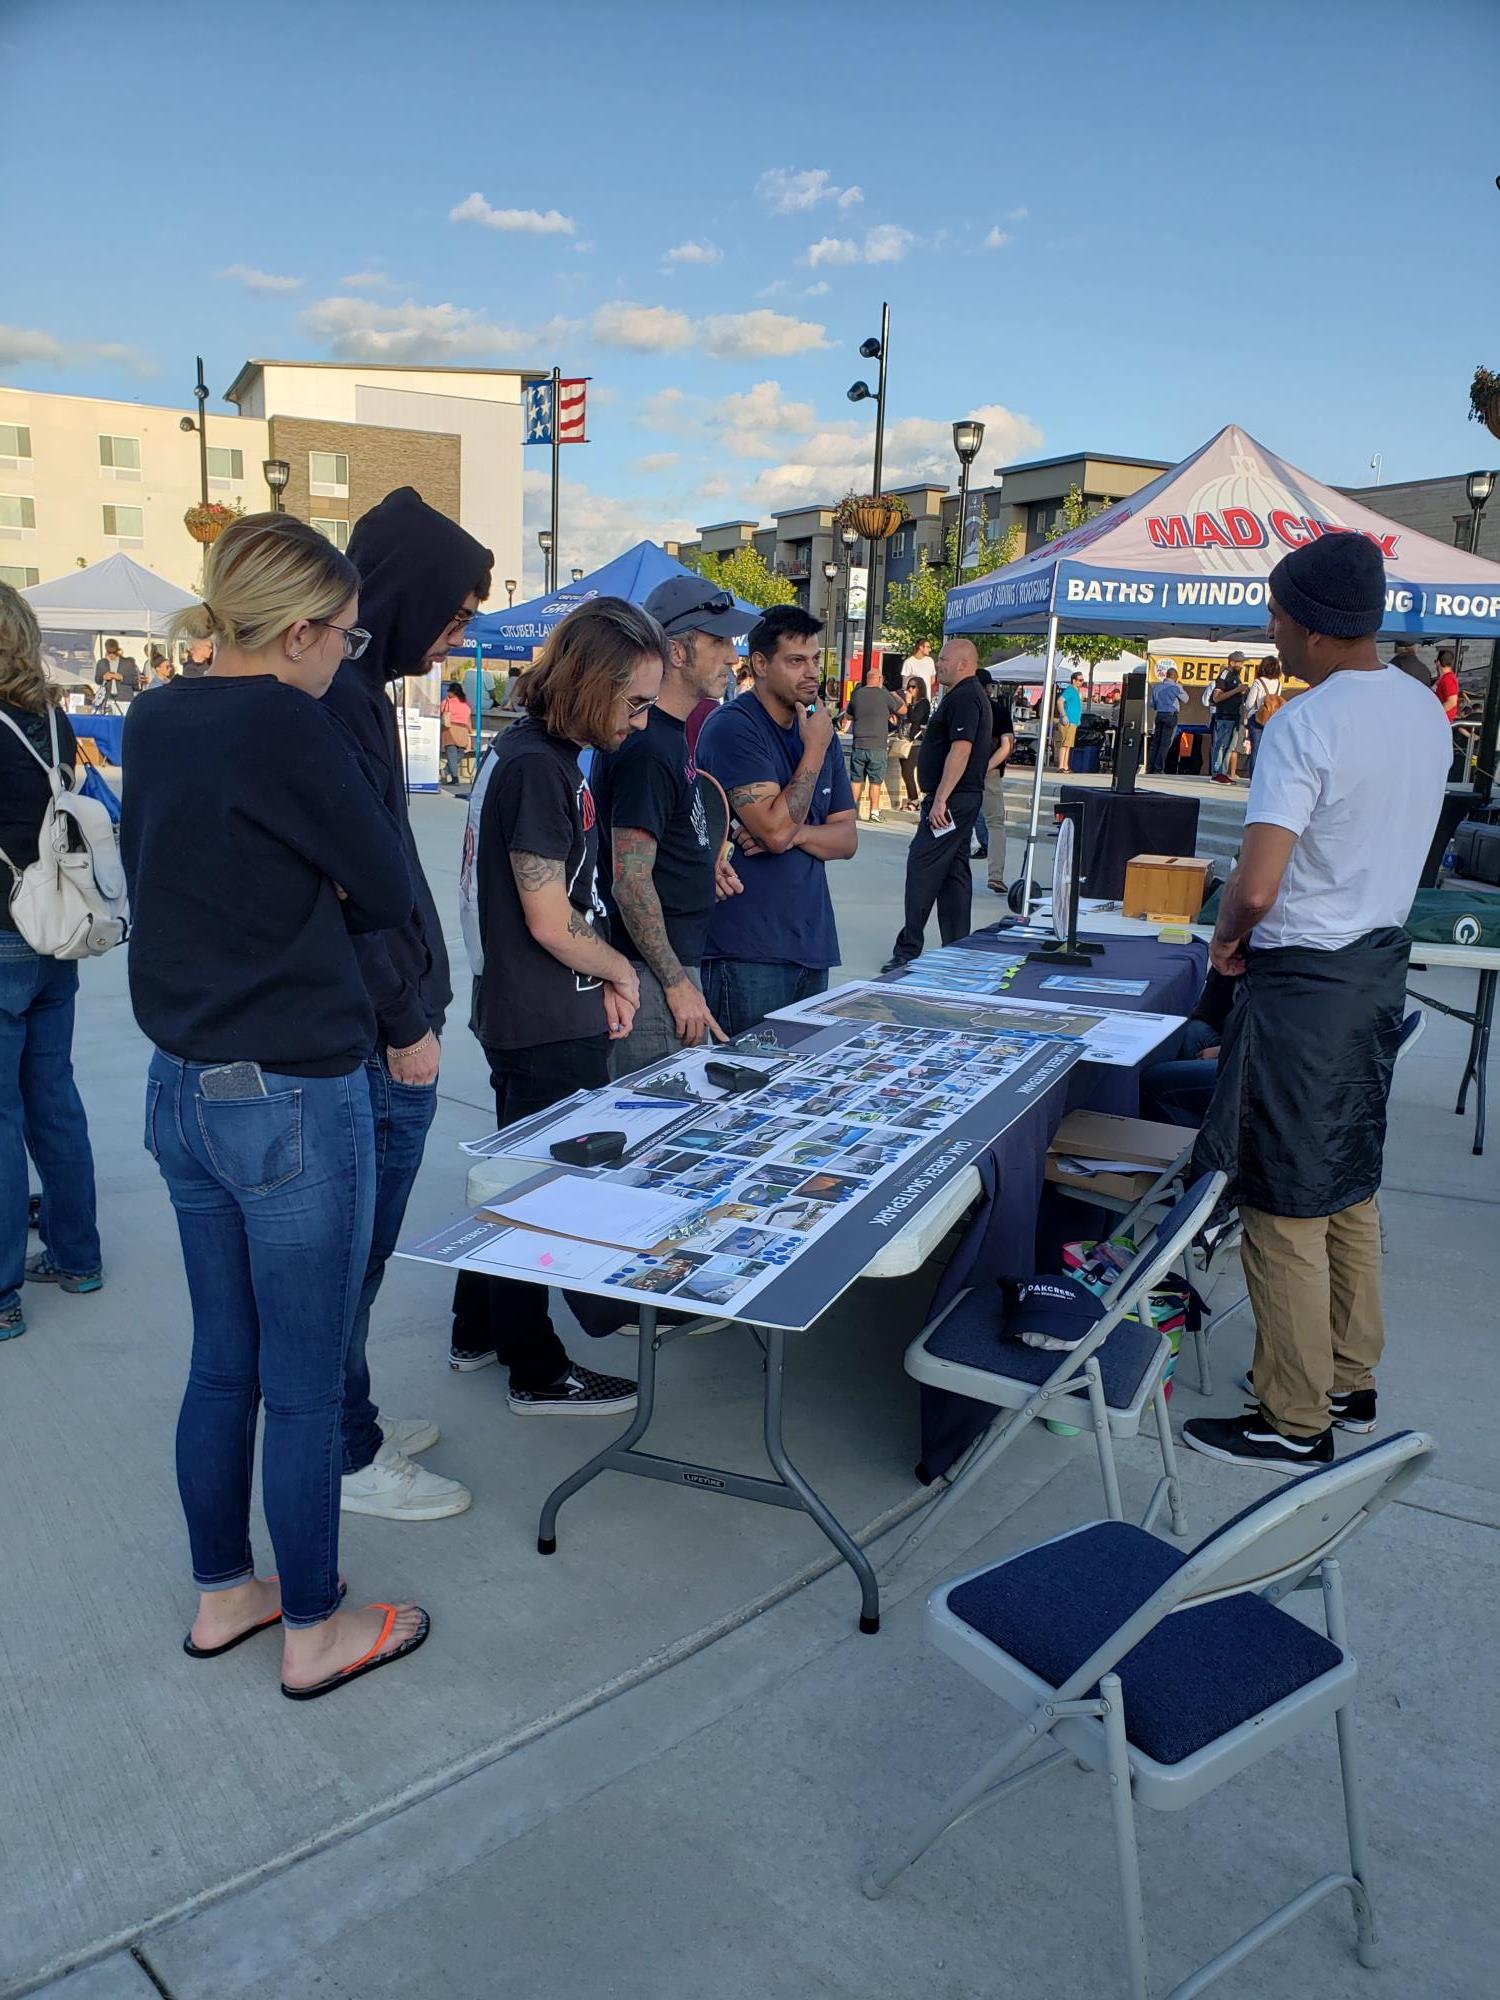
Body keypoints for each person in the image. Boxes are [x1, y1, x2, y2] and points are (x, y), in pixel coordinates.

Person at [121, 513, 430, 1697]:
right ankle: (313, 1627)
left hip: (180, 1085)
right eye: (345, 640)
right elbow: (388, 882)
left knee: (222, 1364)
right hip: (289, 1094)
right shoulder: (287, 723)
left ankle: (225, 1595)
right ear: (299, 630)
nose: (348, 658)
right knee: (301, 1381)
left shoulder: (157, 714)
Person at [1182, 532, 1451, 1472]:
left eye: (1276, 613)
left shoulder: (1307, 723)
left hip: (1305, 983)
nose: (1271, 628)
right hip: (1377, 967)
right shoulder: (1425, 712)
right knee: (1349, 1184)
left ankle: (1292, 1417)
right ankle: (1350, 1375)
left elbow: (1257, 883)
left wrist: (1226, 936)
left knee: (1284, 1200)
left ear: (1307, 623)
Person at [322, 487, 493, 1523]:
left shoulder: (359, 692)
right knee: (352, 1259)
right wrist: (408, 1022)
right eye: (457, 610)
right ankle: (342, 1449)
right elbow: (359, 887)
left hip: (389, 1020)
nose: (460, 632)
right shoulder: (340, 698)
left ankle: (350, 1419)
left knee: (363, 1260)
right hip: (379, 1034)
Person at [451, 598, 661, 1409]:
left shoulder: (531, 754)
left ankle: (480, 1327)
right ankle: (535, 1369)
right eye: (634, 702)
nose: (641, 721)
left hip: (527, 1008)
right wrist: (621, 970)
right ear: (588, 685)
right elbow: (548, 917)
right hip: (543, 1016)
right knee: (540, 1199)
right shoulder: (540, 767)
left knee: (510, 1178)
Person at [593, 576, 752, 1078]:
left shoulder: (665, 736)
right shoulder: (646, 746)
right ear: (678, 653)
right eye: (720, 641)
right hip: (654, 983)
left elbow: (658, 848)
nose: (733, 656)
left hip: (667, 972)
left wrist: (703, 863)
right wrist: (677, 984)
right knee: (654, 1141)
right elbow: (630, 880)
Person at [0, 584, 104, 1341]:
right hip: (54, 930)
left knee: (4, 1116)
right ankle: (76, 1252)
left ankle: (3, 1296)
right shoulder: (52, 718)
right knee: (53, 1098)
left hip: (5, 931)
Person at [696, 606, 856, 1035]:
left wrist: (797, 833)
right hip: (747, 951)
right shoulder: (733, 727)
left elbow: (846, 840)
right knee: (745, 1085)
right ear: (761, 664)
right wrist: (815, 752)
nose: (811, 673)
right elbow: (774, 830)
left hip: (811, 942)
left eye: (815, 660)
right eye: (795, 661)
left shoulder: (817, 729)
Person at [882, 636, 993, 969]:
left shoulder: (965, 697)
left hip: (953, 800)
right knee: (953, 873)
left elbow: (961, 749)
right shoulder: (966, 695)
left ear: (963, 664)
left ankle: (908, 948)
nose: (938, 664)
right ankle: (957, 946)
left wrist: (941, 799)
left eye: (943, 660)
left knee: (922, 865)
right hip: (959, 798)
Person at [1139, 971, 1235, 1128]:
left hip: (1262, 1065)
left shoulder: (1279, 965)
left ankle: (1208, 1138)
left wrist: (1226, 1051)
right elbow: (1211, 1005)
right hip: (1242, 1042)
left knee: (1151, 1083)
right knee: (1193, 1031)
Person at [842, 661, 904, 823]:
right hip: (877, 744)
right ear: (879, 679)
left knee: (856, 779)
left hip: (859, 743)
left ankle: (851, 811)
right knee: (875, 781)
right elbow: (902, 709)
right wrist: (895, 696)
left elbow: (848, 717)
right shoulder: (884, 694)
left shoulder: (857, 694)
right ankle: (874, 812)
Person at [977, 670, 1015, 892]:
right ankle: (995, 875)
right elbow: (1007, 745)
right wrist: (988, 766)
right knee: (996, 823)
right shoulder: (998, 710)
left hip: (960, 771)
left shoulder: (963, 706)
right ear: (988, 687)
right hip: (989, 773)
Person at [1243, 654, 1285, 773]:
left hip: (1257, 718)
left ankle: (1253, 778)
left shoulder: (1258, 682)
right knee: (1268, 749)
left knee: (1256, 748)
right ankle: (1264, 775)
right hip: (1272, 718)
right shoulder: (1278, 683)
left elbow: (1249, 703)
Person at [1208, 653, 1246, 780]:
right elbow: (1217, 697)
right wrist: (1237, 690)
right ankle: (1217, 772)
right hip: (1224, 715)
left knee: (1230, 747)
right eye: (1239, 662)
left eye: (1242, 662)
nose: (1241, 665)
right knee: (1221, 745)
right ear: (1231, 662)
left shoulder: (1235, 676)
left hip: (1234, 715)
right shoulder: (1224, 675)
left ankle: (1223, 773)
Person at [1147, 664, 1187, 774]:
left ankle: (1150, 767)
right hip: (1170, 715)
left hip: (1159, 714)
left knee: (1156, 742)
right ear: (1175, 676)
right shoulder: (1175, 687)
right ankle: (1158, 768)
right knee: (1165, 743)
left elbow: (1152, 704)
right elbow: (1185, 699)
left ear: (1166, 675)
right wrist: (1181, 687)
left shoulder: (1157, 687)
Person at [898, 676, 930, 808]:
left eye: (913, 687)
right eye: (908, 687)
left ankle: (915, 800)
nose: (910, 690)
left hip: (915, 741)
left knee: (908, 770)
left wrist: (910, 703)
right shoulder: (908, 703)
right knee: (905, 770)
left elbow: (915, 719)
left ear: (920, 688)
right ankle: (913, 798)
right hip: (904, 739)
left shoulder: (923, 703)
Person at [439, 678, 473, 786]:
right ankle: (449, 772)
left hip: (449, 729)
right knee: (460, 753)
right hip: (463, 730)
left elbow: (440, 713)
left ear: (452, 692)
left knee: (451, 754)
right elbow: (468, 719)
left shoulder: (446, 702)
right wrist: (470, 731)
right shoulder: (466, 704)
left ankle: (454, 777)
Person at [1052, 671, 1083, 770]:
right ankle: (1061, 766)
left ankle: (1065, 765)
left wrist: (1078, 720)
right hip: (1068, 721)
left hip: (1073, 722)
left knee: (1068, 744)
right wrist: (1064, 715)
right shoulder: (1070, 690)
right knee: (1064, 744)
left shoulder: (1076, 692)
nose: (1081, 682)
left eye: (1082, 680)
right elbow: (1059, 701)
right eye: (1080, 680)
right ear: (1074, 680)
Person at [94, 639, 139, 707]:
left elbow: (135, 680)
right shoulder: (102, 663)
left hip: (124, 700)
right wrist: (103, 677)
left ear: (117, 651)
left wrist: (122, 678)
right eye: (109, 653)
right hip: (107, 699)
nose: (111, 655)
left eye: (113, 653)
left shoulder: (128, 662)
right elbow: (97, 680)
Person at [1433, 646, 1460, 721]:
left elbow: (1452, 702)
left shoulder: (1448, 679)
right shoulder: (1446, 678)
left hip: (1444, 720)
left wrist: (1436, 713)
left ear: (1438, 662)